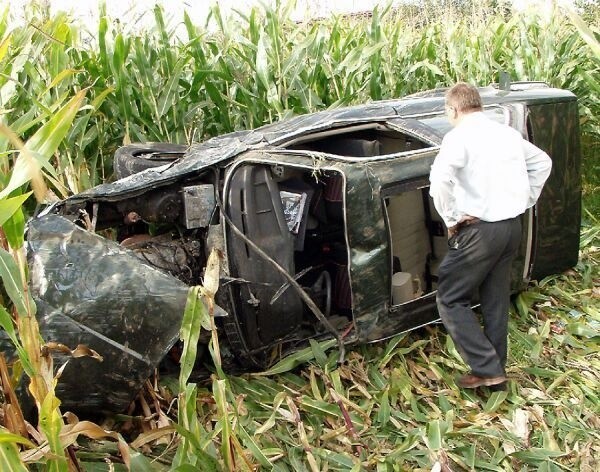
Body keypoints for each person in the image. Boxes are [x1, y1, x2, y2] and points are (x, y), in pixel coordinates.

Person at [429, 82, 552, 390]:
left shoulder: (458, 138)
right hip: (511, 228)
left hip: (480, 232)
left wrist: (452, 218)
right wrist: (524, 200)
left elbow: (439, 181)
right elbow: (542, 163)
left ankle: (485, 368)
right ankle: (496, 373)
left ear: (453, 109)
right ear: (478, 105)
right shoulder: (507, 134)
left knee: (450, 298)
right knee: (495, 299)